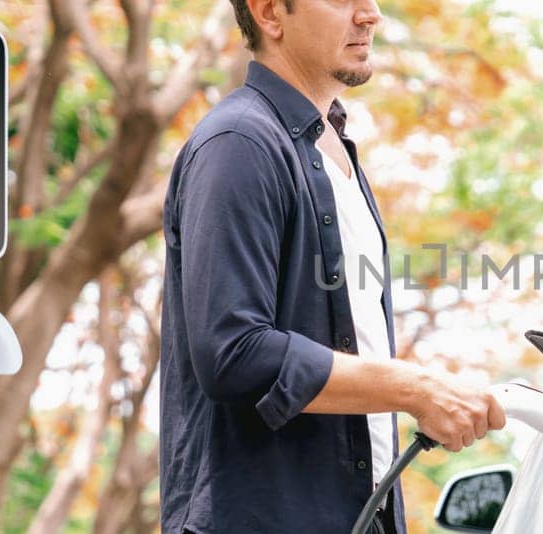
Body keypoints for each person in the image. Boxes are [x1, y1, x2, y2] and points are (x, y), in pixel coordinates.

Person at [158, 0, 505, 532]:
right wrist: (415, 388)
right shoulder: (239, 143)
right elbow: (234, 352)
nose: (371, 15)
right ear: (271, 14)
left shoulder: (334, 147)